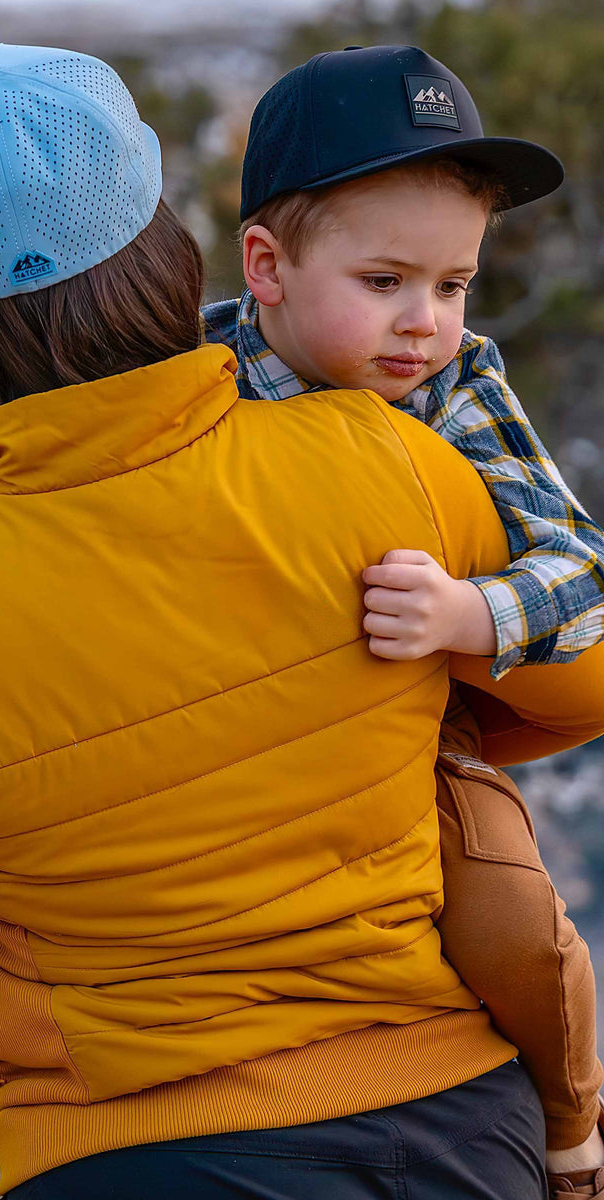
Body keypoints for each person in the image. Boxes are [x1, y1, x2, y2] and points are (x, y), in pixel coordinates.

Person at [0, 42, 604, 1200]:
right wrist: (406, 713)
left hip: (125, 1158)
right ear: (177, 256)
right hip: (446, 1136)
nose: (424, 319)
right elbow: (578, 685)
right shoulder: (379, 451)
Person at [202, 45, 604, 1198]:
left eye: (452, 284)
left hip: (417, 735)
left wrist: (469, 613)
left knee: (516, 924)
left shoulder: (454, 387)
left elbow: (579, 563)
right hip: (242, 739)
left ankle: (569, 1131)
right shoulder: (195, 374)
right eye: (384, 282)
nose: (423, 322)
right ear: (266, 267)